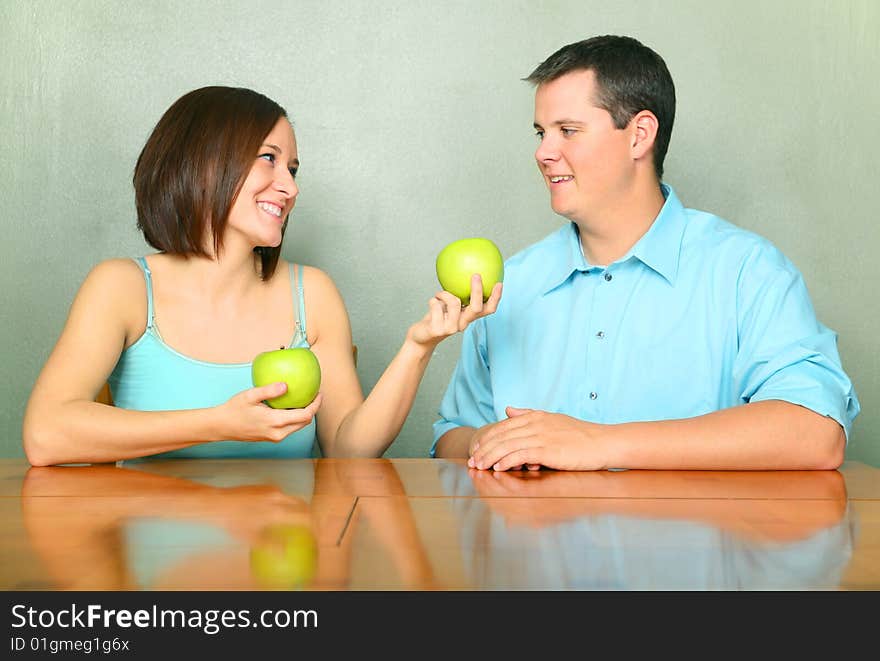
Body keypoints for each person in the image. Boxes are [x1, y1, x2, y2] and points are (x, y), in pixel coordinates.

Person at [432, 35, 859, 471]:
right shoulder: (512, 283)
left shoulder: (746, 271)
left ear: (639, 135)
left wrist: (597, 445)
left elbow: (816, 432)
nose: (543, 153)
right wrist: (490, 441)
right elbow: (451, 435)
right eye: (542, 133)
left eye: (568, 131)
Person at [23, 86, 501, 466]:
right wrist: (218, 423)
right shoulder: (122, 287)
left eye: (292, 168)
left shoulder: (311, 294)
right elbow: (46, 435)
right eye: (268, 159)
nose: (290, 187)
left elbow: (348, 450)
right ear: (204, 162)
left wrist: (419, 347)